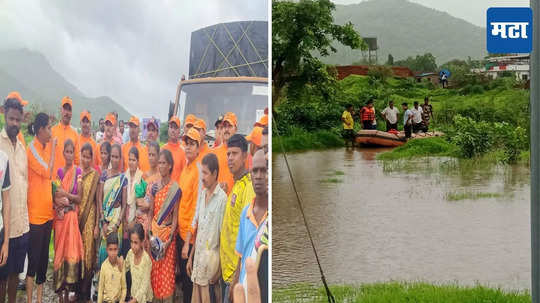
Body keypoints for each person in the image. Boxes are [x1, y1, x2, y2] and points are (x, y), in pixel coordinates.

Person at [186, 153, 227, 303]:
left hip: (211, 269)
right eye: (201, 172)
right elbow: (200, 230)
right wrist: (190, 257)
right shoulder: (202, 194)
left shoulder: (222, 199)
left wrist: (219, 271)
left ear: (215, 173)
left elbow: (223, 239)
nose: (202, 177)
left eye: (205, 173)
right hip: (198, 265)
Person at [219, 134, 255, 303]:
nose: (230, 158)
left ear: (245, 156)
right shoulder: (235, 186)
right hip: (226, 272)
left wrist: (236, 278)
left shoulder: (248, 188)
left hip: (236, 275)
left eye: (235, 153)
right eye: (228, 154)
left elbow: (247, 237)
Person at [26, 113, 56, 303]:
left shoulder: (44, 147)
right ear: (40, 130)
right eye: (49, 128)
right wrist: (53, 149)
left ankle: (39, 300)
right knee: (33, 261)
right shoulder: (32, 149)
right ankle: (29, 300)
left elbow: (52, 179)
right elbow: (48, 170)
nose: (51, 132)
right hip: (35, 216)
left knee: (44, 261)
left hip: (47, 214)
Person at [230, 150, 268, 303]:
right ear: (250, 174)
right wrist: (234, 285)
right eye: (255, 170)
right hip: (244, 290)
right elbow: (241, 256)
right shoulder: (245, 212)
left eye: (264, 171)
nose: (259, 176)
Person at [0, 96, 27, 303]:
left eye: (18, 120)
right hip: (4, 227)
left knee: (15, 275)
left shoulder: (22, 148)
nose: (15, 124)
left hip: (21, 225)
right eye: (11, 119)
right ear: (4, 115)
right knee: (1, 276)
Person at [53, 139, 84, 302]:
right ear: (63, 153)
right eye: (67, 151)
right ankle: (60, 290)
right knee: (60, 252)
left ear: (74, 153)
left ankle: (70, 289)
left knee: (70, 252)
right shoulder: (59, 172)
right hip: (60, 219)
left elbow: (78, 198)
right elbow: (55, 195)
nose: (69, 155)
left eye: (72, 152)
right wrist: (60, 199)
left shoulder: (78, 172)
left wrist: (66, 195)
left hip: (71, 219)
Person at [149, 149, 181, 302]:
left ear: (169, 166)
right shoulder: (154, 187)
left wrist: (169, 239)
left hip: (168, 238)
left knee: (167, 275)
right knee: (155, 274)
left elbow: (175, 217)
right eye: (159, 163)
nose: (160, 166)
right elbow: (150, 213)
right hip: (154, 237)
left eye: (163, 163)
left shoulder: (175, 189)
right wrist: (149, 234)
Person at [177, 128, 202, 303]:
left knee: (189, 282)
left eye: (192, 144)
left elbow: (196, 210)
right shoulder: (185, 168)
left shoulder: (199, 171)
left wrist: (187, 243)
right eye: (187, 143)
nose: (188, 147)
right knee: (185, 283)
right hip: (180, 232)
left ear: (199, 147)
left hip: (190, 238)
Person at [97, 144, 128, 268]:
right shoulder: (104, 175)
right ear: (110, 157)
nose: (114, 159)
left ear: (120, 159)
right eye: (113, 156)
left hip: (116, 223)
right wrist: (103, 221)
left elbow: (124, 205)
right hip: (105, 221)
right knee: (104, 252)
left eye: (117, 157)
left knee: (116, 253)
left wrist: (117, 224)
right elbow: (99, 199)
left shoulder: (123, 179)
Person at [78, 143, 100, 303]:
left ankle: (85, 292)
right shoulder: (76, 172)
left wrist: (97, 224)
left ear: (92, 158)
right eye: (83, 156)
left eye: (88, 156)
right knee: (77, 252)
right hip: (75, 220)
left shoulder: (95, 175)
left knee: (88, 254)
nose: (85, 160)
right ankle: (76, 288)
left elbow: (97, 203)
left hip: (90, 218)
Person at [123, 147, 144, 258]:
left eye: (134, 160)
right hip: (123, 222)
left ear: (138, 161)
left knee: (133, 253)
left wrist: (134, 222)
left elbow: (141, 204)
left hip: (135, 222)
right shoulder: (123, 177)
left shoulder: (141, 177)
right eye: (129, 159)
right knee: (124, 252)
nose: (131, 162)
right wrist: (124, 221)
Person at [124, 222, 153, 303]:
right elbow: (124, 268)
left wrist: (133, 301)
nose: (133, 246)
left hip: (144, 299)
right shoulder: (130, 253)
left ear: (142, 242)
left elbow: (144, 286)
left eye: (136, 242)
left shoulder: (146, 260)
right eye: (131, 242)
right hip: (133, 295)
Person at [51, 96, 80, 174]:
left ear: (71, 113)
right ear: (61, 110)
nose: (67, 113)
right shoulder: (52, 131)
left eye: (69, 110)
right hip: (54, 179)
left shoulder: (75, 134)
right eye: (65, 109)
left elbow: (77, 160)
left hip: (70, 180)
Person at [212, 112, 237, 195]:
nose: (226, 129)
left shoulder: (242, 155)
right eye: (224, 127)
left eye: (230, 126)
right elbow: (207, 182)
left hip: (234, 203)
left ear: (236, 129)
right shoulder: (213, 153)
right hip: (216, 202)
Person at [97, 233, 126, 303]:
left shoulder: (121, 264)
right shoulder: (104, 266)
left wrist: (121, 301)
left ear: (118, 249)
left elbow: (124, 288)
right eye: (110, 249)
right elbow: (100, 289)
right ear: (107, 249)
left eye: (115, 249)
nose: (113, 253)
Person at [162, 116, 186, 183]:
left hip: (176, 191)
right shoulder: (163, 149)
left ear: (179, 131)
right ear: (168, 129)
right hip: (163, 190)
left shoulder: (183, 152)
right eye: (171, 127)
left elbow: (185, 175)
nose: (173, 130)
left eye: (175, 128)